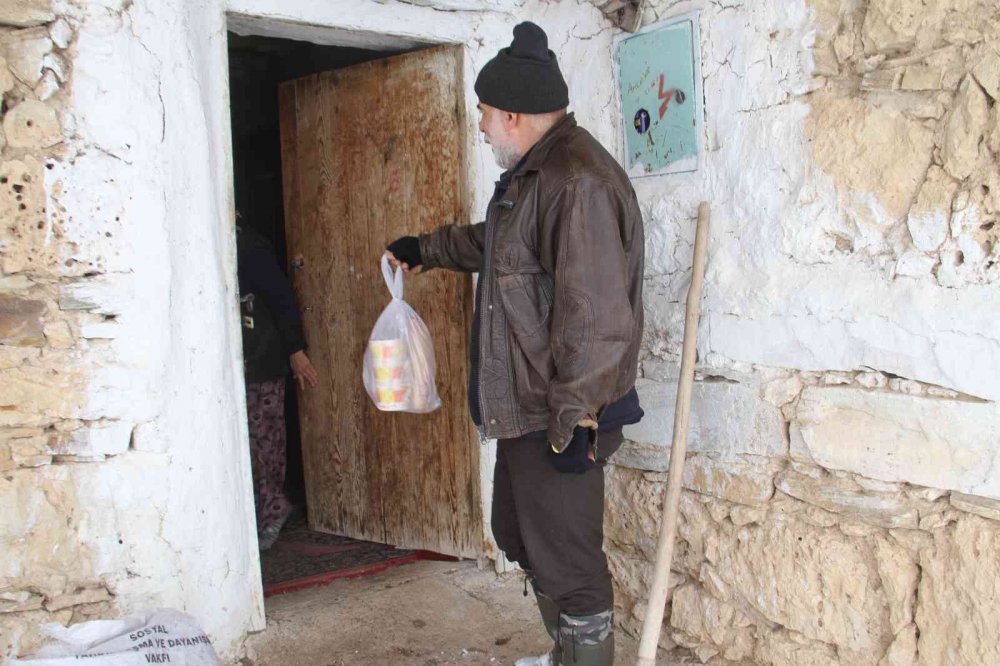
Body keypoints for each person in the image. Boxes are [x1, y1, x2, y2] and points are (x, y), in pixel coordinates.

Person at [385, 22, 644, 666]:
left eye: (481, 115)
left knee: (570, 563)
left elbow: (596, 322)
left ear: (510, 115)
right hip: (530, 406)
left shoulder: (575, 183)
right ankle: (566, 654)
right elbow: (501, 248)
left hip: (559, 411)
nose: (478, 126)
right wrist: (428, 249)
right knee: (519, 534)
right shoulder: (538, 174)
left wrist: (573, 424)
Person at [236, 221, 318, 551]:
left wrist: (295, 351)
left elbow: (281, 298)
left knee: (262, 441)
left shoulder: (250, 247)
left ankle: (272, 511)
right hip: (239, 362)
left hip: (262, 362)